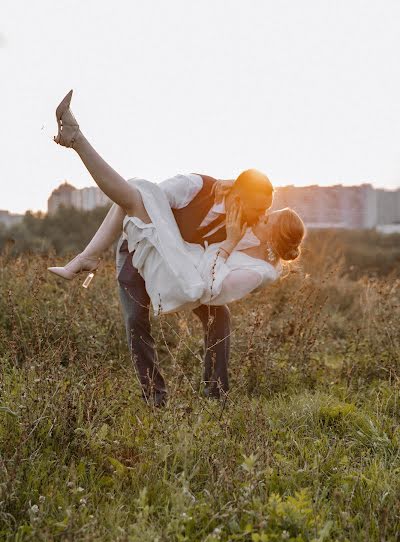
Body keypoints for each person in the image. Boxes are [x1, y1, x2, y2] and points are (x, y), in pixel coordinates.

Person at [48, 90, 305, 406]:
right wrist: (94, 251)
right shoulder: (194, 187)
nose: (260, 217)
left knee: (219, 316)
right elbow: (132, 203)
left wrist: (235, 243)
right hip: (140, 251)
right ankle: (154, 396)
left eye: (266, 211)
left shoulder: (248, 228)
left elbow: (253, 261)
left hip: (184, 269)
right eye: (258, 209)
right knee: (135, 320)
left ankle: (216, 395)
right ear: (237, 196)